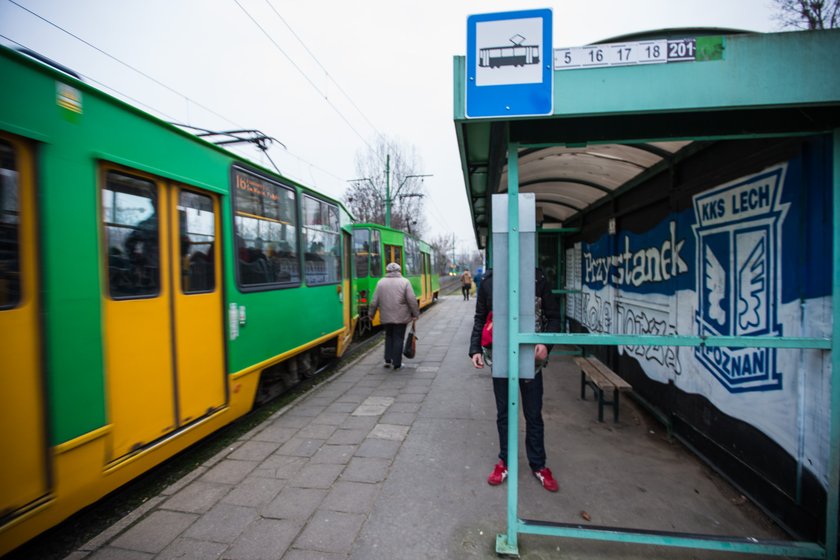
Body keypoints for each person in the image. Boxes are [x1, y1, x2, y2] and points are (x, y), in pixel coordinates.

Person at [468, 268, 561, 492]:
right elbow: (480, 318)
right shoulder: (489, 280)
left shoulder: (537, 277)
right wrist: (474, 350)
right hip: (500, 358)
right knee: (504, 414)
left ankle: (538, 464)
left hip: (531, 361)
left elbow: (554, 317)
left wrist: (546, 345)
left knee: (533, 414)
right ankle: (506, 461)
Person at [370, 262, 420, 370]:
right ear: (399, 270)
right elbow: (411, 300)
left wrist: (371, 314)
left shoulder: (380, 283)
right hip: (401, 317)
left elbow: (374, 301)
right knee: (398, 338)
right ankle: (397, 363)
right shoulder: (405, 282)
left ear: (387, 271)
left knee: (388, 336)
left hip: (386, 317)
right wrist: (415, 314)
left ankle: (387, 360)